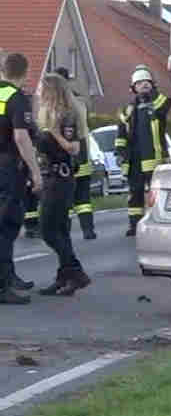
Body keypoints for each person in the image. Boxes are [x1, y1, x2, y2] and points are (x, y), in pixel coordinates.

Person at [32, 71, 88, 295]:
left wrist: (54, 132)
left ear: (52, 91)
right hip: (50, 176)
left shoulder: (66, 115)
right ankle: (65, 277)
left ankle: (75, 272)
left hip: (60, 178)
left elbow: (73, 148)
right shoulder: (48, 114)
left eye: (41, 89)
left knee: (48, 229)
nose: (38, 93)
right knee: (61, 230)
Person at [0, 54, 44, 302]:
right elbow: (21, 137)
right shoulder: (16, 98)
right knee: (6, 226)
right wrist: (35, 171)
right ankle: (3, 286)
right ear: (25, 72)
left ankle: (9, 276)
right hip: (8, 168)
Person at [115, 64, 171, 236]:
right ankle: (135, 225)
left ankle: (160, 224)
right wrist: (119, 152)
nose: (144, 85)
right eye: (139, 83)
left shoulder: (158, 102)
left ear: (153, 84)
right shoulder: (127, 109)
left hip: (154, 158)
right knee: (135, 193)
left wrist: (151, 95)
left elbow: (164, 106)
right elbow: (121, 133)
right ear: (133, 87)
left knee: (157, 193)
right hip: (134, 159)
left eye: (147, 82)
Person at [51, 67, 96, 240]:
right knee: (83, 198)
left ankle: (65, 232)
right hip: (82, 155)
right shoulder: (80, 100)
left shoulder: (55, 103)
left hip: (65, 156)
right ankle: (88, 230)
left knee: (65, 197)